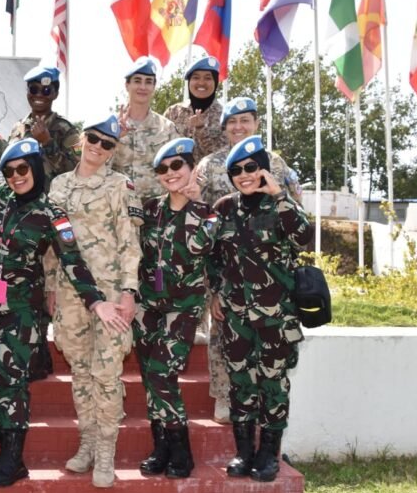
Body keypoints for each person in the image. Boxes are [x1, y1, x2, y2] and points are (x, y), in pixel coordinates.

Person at [0, 137, 129, 488]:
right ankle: (5, 452)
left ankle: (13, 458)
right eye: (9, 171)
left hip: (20, 312)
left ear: (37, 168)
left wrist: (96, 301)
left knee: (12, 382)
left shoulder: (51, 215)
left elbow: (72, 262)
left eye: (23, 169)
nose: (16, 177)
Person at [208, 136, 313, 483]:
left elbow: (304, 238)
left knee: (273, 384)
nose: (244, 175)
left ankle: (269, 453)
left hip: (275, 316)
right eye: (236, 171)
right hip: (236, 315)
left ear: (264, 169)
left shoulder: (282, 206)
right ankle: (244, 452)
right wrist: (214, 294)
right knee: (241, 383)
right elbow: (212, 258)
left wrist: (279, 195)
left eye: (251, 167)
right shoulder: (224, 208)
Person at [47, 114, 143, 488]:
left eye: (107, 144)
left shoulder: (121, 186)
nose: (97, 147)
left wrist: (129, 291)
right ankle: (86, 441)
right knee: (81, 371)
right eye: (93, 139)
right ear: (82, 139)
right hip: (70, 294)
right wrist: (49, 287)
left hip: (111, 292)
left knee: (106, 373)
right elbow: (53, 245)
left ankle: (106, 451)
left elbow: (129, 242)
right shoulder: (59, 185)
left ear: (113, 152)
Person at [194, 96, 303, 422]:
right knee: (222, 332)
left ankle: (261, 397)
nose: (239, 127)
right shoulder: (209, 166)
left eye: (245, 120)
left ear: (256, 123)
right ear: (224, 128)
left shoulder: (277, 164)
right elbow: (199, 213)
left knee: (268, 336)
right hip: (225, 266)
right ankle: (224, 395)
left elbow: (296, 213)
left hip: (268, 270)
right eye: (232, 122)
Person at [133, 137, 216, 479]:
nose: (170, 173)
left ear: (190, 168)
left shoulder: (208, 215)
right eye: (162, 169)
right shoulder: (150, 209)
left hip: (183, 307)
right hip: (148, 306)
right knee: (150, 378)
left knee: (161, 373)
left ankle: (181, 450)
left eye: (176, 166)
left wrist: (217, 299)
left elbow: (220, 260)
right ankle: (161, 447)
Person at [112, 56, 180, 199]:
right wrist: (113, 137)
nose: (143, 87)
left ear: (154, 87)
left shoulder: (167, 128)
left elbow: (178, 170)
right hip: (118, 209)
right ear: (127, 85)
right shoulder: (110, 125)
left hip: (155, 212)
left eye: (148, 82)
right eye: (137, 81)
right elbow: (94, 165)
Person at [7, 66, 80, 189]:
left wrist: (48, 143)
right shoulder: (17, 128)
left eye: (46, 90)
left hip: (52, 203)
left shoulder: (67, 130)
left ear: (55, 94)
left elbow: (76, 171)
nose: (39, 95)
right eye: (34, 89)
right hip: (21, 203)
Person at [162, 55, 226, 163]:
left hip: (211, 178)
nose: (201, 83)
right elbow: (161, 150)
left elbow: (224, 155)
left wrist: (201, 130)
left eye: (208, 78)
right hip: (176, 178)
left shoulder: (226, 115)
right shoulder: (173, 113)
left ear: (215, 82)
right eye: (196, 77)